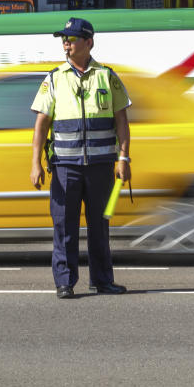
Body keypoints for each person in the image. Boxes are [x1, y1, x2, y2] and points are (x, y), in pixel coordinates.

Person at [30, 17, 131, 300]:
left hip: (100, 168)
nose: (66, 43)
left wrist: (124, 158)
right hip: (65, 168)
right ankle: (65, 281)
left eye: (72, 39)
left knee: (99, 226)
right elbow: (41, 123)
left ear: (89, 43)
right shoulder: (54, 78)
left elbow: (122, 120)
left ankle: (101, 280)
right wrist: (35, 163)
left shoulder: (107, 76)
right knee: (65, 226)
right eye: (64, 39)